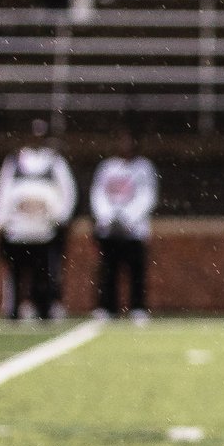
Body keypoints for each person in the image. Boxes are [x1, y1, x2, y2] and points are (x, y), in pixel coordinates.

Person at [0, 122, 74, 321]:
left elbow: (68, 191)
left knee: (44, 275)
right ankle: (14, 309)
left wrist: (59, 217)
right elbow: (2, 191)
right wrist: (0, 221)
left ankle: (44, 308)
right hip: (18, 231)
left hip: (44, 231)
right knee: (16, 274)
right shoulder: (14, 161)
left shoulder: (55, 162)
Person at [90, 136, 158, 322]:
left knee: (136, 271)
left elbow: (147, 196)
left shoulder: (144, 167)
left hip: (134, 230)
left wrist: (128, 217)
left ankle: (137, 307)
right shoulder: (107, 167)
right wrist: (108, 217)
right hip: (110, 229)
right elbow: (98, 194)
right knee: (108, 270)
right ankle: (107, 306)